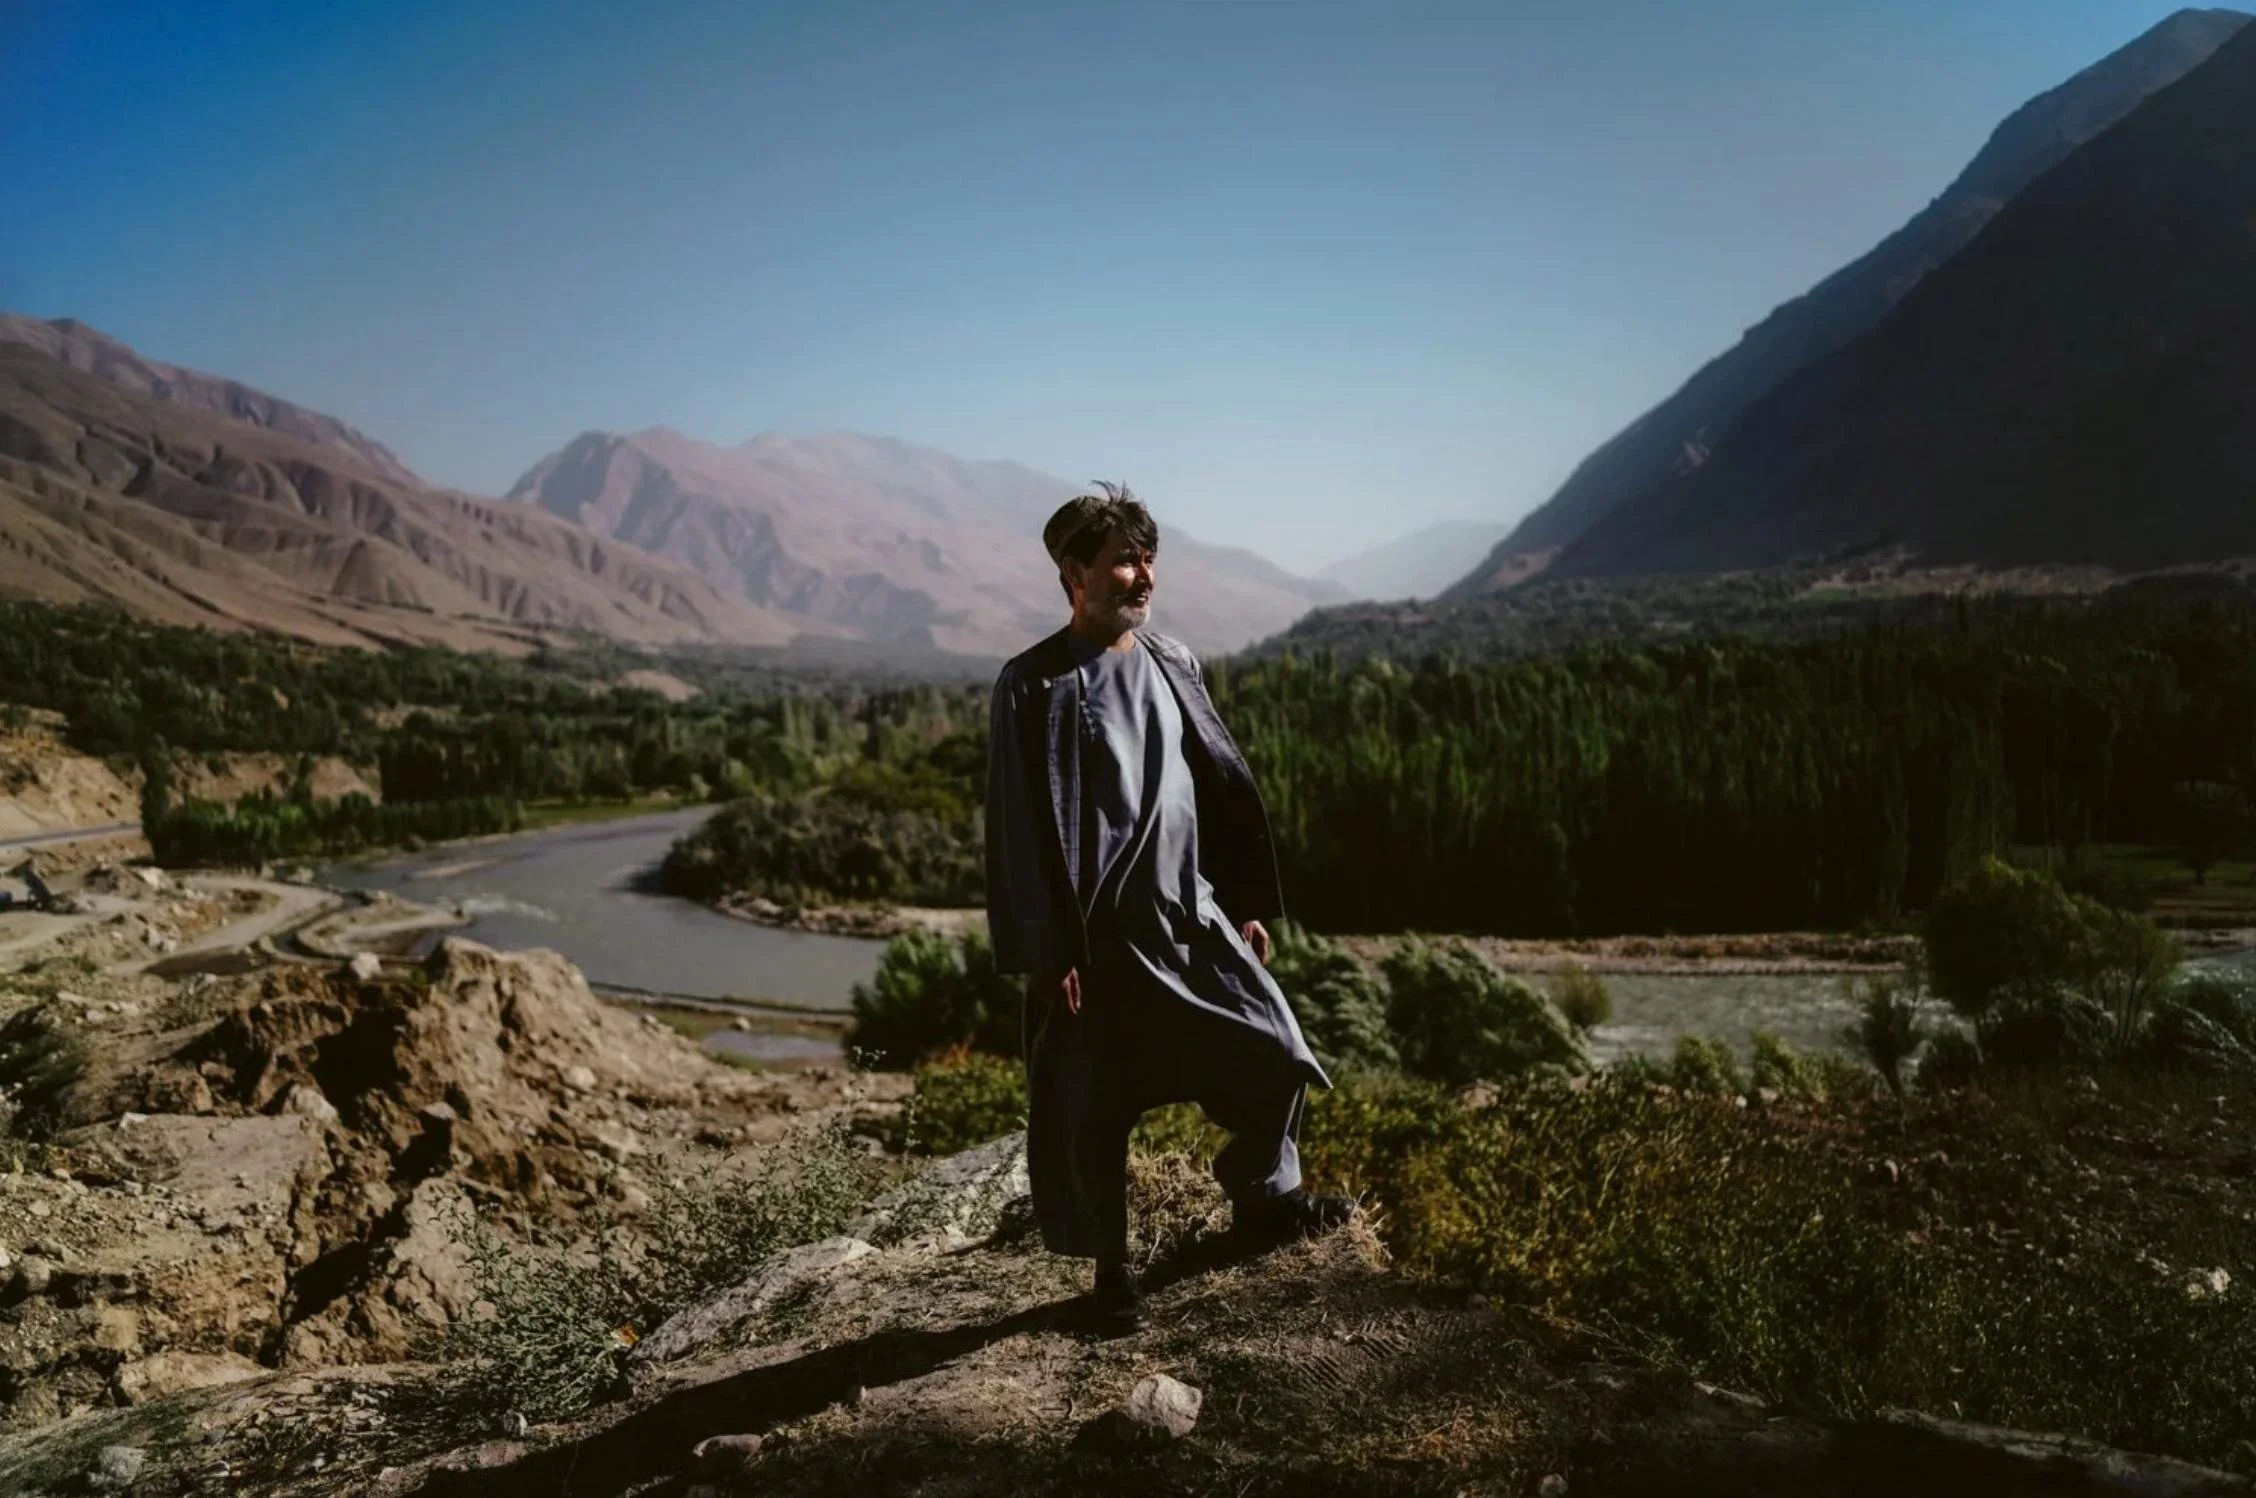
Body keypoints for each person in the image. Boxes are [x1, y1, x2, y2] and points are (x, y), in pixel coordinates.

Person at [984, 481, 1355, 1333]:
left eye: (1149, 558)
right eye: (1123, 560)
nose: (1143, 575)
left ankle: (1264, 1200)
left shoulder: (1173, 662)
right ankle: (1112, 1276)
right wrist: (1044, 950)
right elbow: (1016, 829)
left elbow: (1214, 785)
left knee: (1276, 1049)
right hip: (1098, 943)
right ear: (1075, 574)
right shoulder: (1031, 685)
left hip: (1193, 919)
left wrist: (1244, 902)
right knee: (1096, 1105)